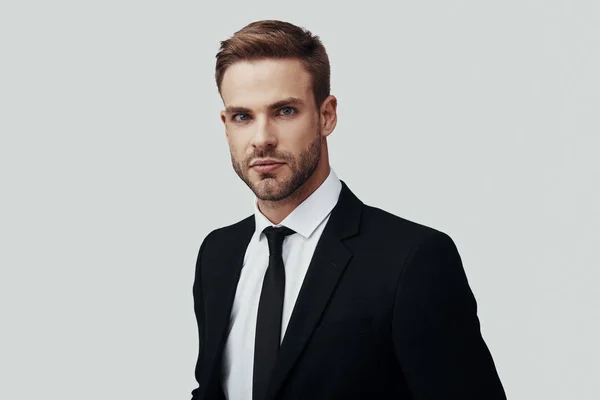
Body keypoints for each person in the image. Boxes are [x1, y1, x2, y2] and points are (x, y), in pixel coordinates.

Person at [191, 19, 506, 400]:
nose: (262, 139)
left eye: (285, 111)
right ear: (226, 126)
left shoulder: (412, 260)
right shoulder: (218, 255)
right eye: (243, 116)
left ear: (326, 115)